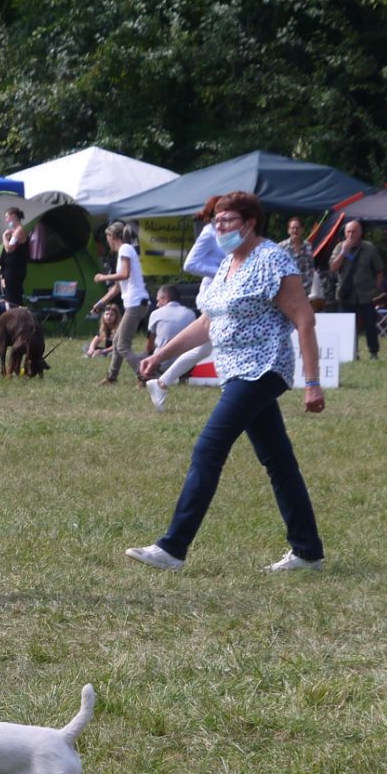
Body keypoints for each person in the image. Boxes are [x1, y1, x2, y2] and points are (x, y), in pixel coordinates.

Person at [127, 191, 325, 573]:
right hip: (234, 371)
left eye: (227, 221)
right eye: (216, 221)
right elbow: (207, 322)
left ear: (249, 223)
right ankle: (307, 551)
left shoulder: (272, 259)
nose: (219, 228)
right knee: (278, 461)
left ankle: (172, 548)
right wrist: (160, 355)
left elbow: (304, 319)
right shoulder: (228, 263)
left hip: (263, 368)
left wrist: (312, 382)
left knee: (208, 448)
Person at [146, 197, 222, 411]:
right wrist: (222, 273)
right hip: (212, 295)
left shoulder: (230, 234)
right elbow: (190, 264)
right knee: (221, 343)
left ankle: (161, 383)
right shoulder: (209, 232)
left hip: (223, 293)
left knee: (204, 350)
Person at [92, 221, 150, 385]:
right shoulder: (124, 252)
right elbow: (117, 288)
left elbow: (124, 274)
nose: (108, 242)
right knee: (117, 342)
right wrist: (100, 303)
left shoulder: (125, 249)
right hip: (135, 303)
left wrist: (102, 277)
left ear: (112, 236)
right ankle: (111, 377)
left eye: (107, 238)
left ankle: (145, 376)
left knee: (122, 345)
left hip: (136, 302)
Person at [329, 219, 384, 358]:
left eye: (354, 231)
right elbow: (333, 268)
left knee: (370, 324)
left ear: (360, 232)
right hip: (346, 294)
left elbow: (379, 270)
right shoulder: (339, 247)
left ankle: (373, 352)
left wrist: (377, 290)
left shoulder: (369, 248)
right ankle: (351, 353)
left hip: (366, 294)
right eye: (348, 231)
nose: (351, 234)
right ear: (345, 233)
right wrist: (343, 252)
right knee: (347, 326)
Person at [144, 284, 195, 371]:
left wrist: (149, 354)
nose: (157, 304)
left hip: (162, 363)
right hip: (185, 363)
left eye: (158, 300)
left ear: (165, 298)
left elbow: (149, 343)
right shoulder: (190, 314)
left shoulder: (156, 314)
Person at [279, 216, 316, 300]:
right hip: (287, 291)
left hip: (304, 291)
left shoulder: (308, 246)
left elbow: (311, 268)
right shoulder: (281, 247)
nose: (295, 230)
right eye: (293, 228)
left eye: (297, 228)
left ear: (302, 230)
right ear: (288, 230)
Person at [0, 207, 29, 309]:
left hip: (15, 270)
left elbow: (9, 248)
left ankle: (15, 316)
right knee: (10, 297)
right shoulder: (14, 232)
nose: (6, 220)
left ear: (13, 216)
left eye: (7, 217)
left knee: (12, 298)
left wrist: (4, 237)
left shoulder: (19, 231)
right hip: (12, 269)